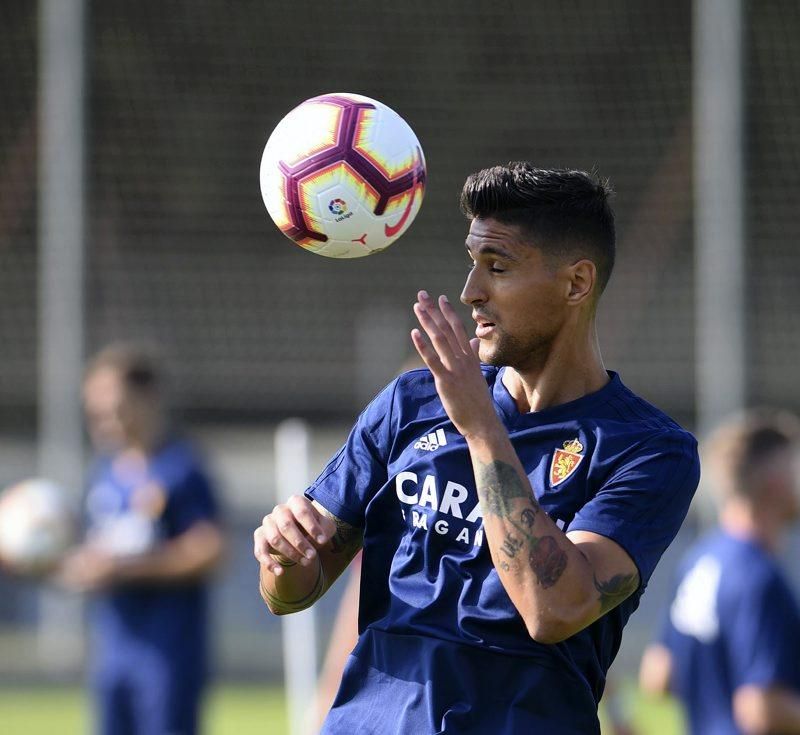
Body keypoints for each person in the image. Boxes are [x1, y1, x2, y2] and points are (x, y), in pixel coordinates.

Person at [254, 163, 700, 734]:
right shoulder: (412, 402)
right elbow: (291, 593)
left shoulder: (648, 451)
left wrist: (482, 429)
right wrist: (283, 557)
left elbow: (555, 609)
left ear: (576, 283)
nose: (470, 292)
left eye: (498, 267)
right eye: (472, 264)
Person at [59, 343, 225, 735]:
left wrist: (126, 568)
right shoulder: (104, 474)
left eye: (114, 404)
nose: (103, 418)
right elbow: (95, 552)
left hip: (166, 653)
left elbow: (210, 549)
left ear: (147, 399)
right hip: (113, 650)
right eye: (94, 408)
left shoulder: (181, 468)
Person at [639, 409, 800, 735]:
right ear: (775, 482)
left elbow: (658, 675)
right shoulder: (758, 577)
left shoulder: (699, 560)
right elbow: (760, 709)